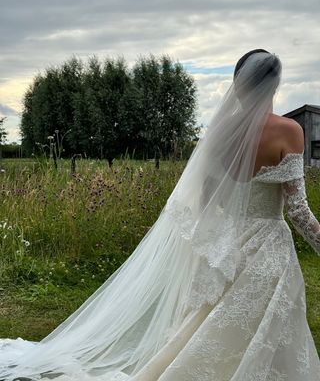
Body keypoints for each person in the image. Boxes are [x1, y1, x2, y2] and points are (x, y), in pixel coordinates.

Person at [1, 50, 319, 380]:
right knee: (269, 322)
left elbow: (209, 201)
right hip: (269, 247)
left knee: (210, 322)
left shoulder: (221, 131)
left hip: (227, 244)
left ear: (237, 85)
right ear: (274, 85)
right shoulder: (289, 130)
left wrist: (217, 242)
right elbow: (297, 210)